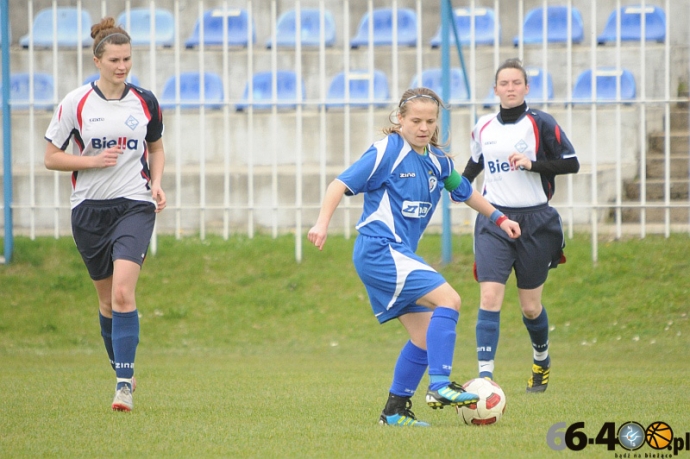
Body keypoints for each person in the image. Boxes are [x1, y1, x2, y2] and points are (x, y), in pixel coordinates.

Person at [308, 87, 521, 427]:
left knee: (424, 336)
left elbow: (466, 193)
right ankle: (438, 385)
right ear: (401, 120)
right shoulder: (387, 151)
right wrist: (322, 223)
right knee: (449, 300)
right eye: (416, 120)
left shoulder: (437, 162)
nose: (424, 127)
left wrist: (501, 219)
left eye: (430, 121)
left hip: (395, 253)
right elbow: (338, 184)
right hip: (380, 248)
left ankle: (394, 411)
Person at [44, 17, 166, 412]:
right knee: (107, 303)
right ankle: (122, 371)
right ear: (97, 60)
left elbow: (157, 148)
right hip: (89, 210)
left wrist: (158, 183)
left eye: (127, 59)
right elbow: (51, 158)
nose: (122, 66)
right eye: (114, 59)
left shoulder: (144, 100)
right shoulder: (75, 102)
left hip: (135, 204)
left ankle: (123, 385)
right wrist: (92, 161)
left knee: (123, 293)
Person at [462, 58, 579, 393]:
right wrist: (455, 185)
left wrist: (533, 164)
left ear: (526, 88)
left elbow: (571, 162)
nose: (510, 88)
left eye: (517, 83)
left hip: (536, 221)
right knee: (489, 296)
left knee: (530, 307)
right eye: (504, 83)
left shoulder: (541, 123)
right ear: (495, 89)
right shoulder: (483, 126)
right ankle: (485, 378)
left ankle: (541, 360)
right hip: (494, 219)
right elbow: (474, 165)